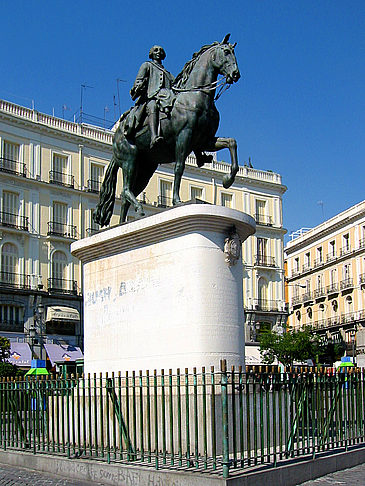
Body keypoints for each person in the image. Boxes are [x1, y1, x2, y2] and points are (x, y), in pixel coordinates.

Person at [130, 45, 175, 148]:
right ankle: (153, 136)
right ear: (151, 53)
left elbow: (175, 85)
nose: (158, 52)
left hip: (166, 98)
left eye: (160, 50)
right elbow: (138, 82)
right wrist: (139, 86)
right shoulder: (147, 65)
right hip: (151, 97)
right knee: (152, 106)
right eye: (155, 50)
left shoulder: (167, 73)